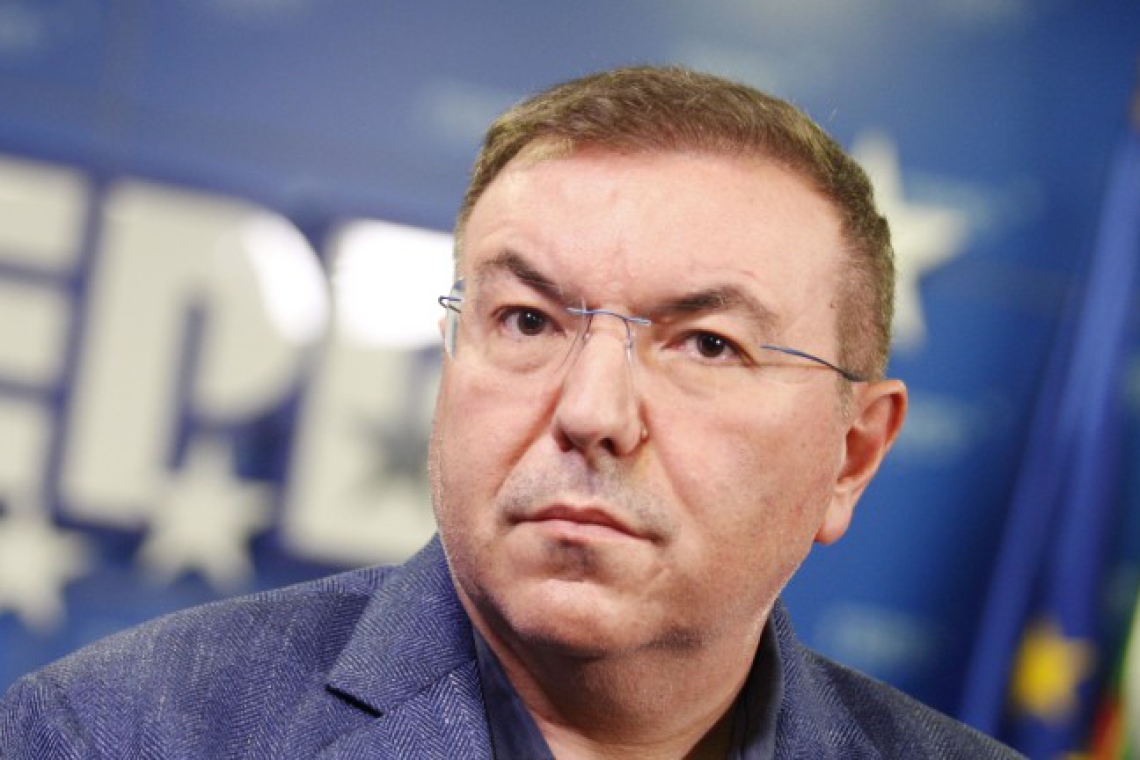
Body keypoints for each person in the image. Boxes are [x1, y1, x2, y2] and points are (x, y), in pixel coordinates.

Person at [0, 66, 1021, 759]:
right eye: (528, 320)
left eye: (708, 343)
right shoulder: (114, 732)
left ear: (853, 454)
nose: (590, 411)